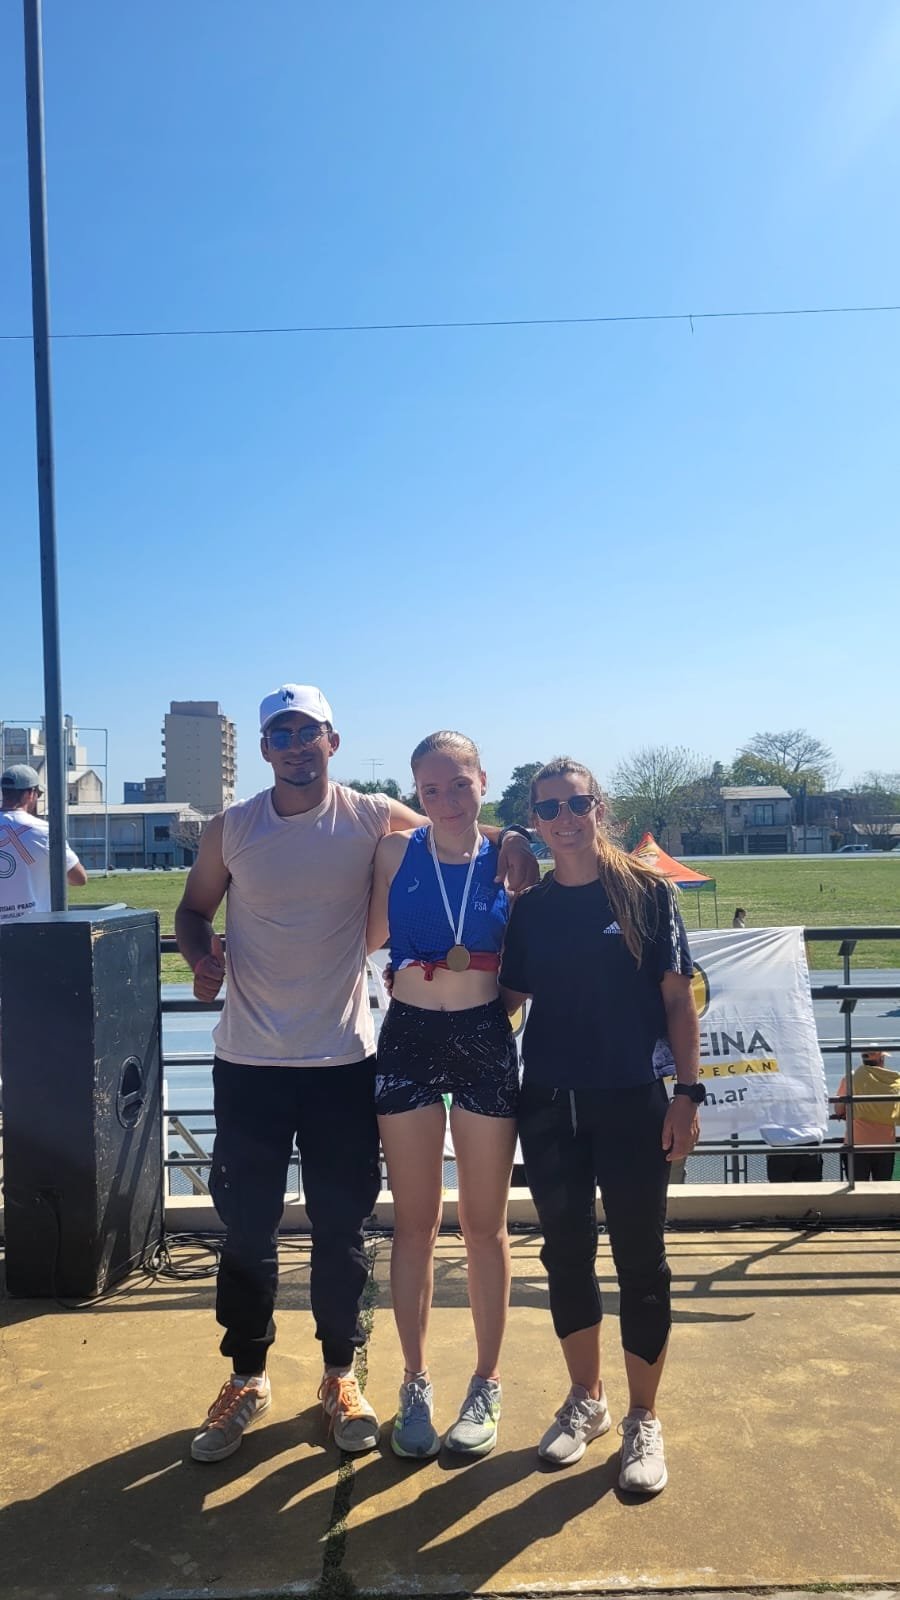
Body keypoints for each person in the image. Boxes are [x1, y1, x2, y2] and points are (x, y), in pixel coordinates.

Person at [175, 685, 537, 1464]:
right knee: (247, 1230)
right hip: (248, 1060)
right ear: (264, 748)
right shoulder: (231, 827)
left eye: (308, 732)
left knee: (343, 1229)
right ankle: (246, 1377)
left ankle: (341, 1375)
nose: (295, 745)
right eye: (280, 734)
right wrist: (200, 956)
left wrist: (512, 834)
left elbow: (456, 822)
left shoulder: (372, 817)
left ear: (331, 742)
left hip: (342, 1058)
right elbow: (192, 910)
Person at [499, 757, 703, 1496]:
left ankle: (643, 1418)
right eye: (548, 808)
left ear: (599, 808)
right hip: (550, 1103)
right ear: (535, 819)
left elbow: (678, 1001)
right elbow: (508, 1002)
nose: (565, 819)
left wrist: (688, 1094)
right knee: (566, 1254)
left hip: (631, 1100)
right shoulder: (530, 908)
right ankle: (587, 1400)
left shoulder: (646, 893)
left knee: (641, 1260)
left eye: (576, 804)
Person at [366, 731, 519, 1460]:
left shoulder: (513, 858)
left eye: (460, 783)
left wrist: (511, 834)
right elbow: (360, 930)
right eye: (432, 789)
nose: (448, 800)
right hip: (409, 1039)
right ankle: (415, 1380)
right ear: (416, 794)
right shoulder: (395, 853)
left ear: (483, 780)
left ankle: (486, 1381)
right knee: (415, 1225)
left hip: (485, 1037)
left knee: (485, 1226)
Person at [0, 765, 87, 922]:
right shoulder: (44, 831)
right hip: (33, 926)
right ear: (30, 793)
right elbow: (79, 878)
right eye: (38, 794)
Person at [834, 1050, 900, 1182]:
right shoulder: (894, 1080)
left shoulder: (851, 1078)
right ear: (881, 1060)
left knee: (856, 1188)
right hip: (885, 1145)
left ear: (863, 1059)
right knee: (882, 1187)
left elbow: (838, 1109)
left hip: (856, 1143)